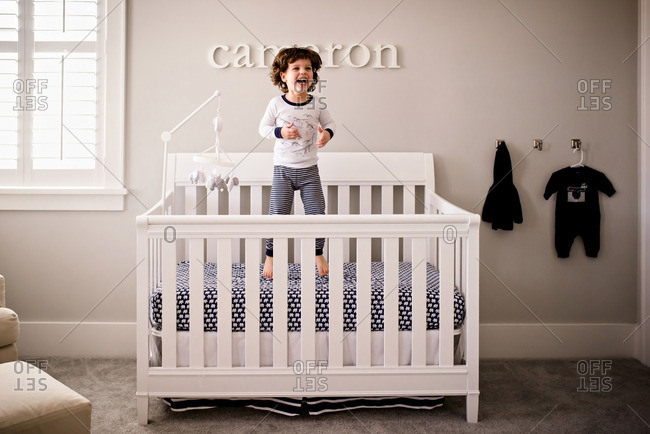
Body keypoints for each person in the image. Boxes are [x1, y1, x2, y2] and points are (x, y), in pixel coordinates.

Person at [259, 46, 335, 279]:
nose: (303, 72)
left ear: (312, 75)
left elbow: (330, 125)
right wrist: (280, 132)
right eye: (296, 68)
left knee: (317, 213)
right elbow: (263, 129)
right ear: (284, 75)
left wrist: (326, 136)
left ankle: (318, 253)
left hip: (309, 171)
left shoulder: (317, 104)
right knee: (277, 214)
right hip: (283, 170)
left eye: (308, 68)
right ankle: (271, 257)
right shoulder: (276, 104)